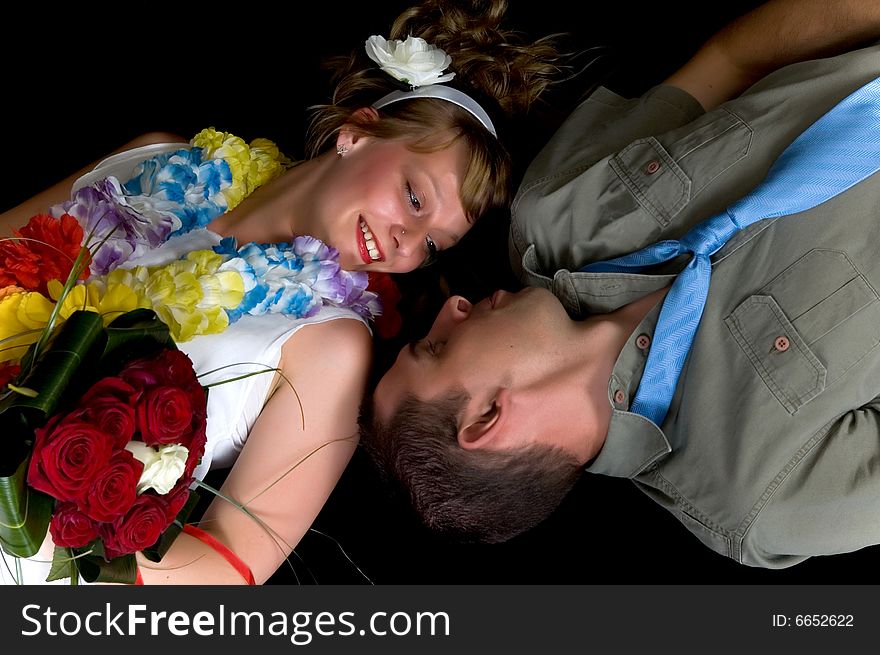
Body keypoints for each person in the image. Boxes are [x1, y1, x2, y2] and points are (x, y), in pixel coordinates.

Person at [0, 0, 568, 584]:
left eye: (433, 245)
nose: (407, 241)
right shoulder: (161, 157)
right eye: (415, 198)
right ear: (357, 132)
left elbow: (229, 566)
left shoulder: (331, 347)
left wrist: (34, 523)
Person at [360, 0, 880, 571]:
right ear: (487, 420)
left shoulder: (551, 214)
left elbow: (732, 61)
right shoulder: (765, 499)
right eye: (435, 346)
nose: (451, 307)